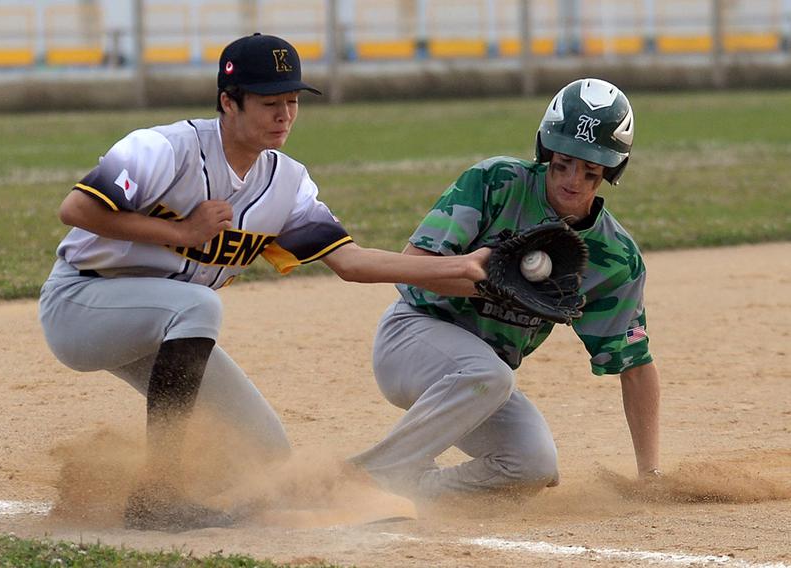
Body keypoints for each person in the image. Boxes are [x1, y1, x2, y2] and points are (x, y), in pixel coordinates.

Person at [37, 32, 489, 532]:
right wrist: (180, 232)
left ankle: (192, 498)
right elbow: (75, 209)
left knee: (266, 454)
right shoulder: (161, 148)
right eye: (269, 102)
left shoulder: (287, 183)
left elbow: (351, 262)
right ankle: (157, 493)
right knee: (198, 307)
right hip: (81, 305)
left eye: (293, 102)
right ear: (228, 103)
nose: (285, 115)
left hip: (162, 328)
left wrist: (460, 267)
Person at [349, 78, 662, 500]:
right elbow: (411, 267)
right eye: (563, 162)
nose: (573, 180)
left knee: (532, 466)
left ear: (612, 171)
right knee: (490, 374)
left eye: (591, 171)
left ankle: (409, 492)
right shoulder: (497, 181)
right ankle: (364, 476)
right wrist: (488, 285)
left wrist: (650, 474)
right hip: (413, 339)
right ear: (545, 150)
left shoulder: (614, 257)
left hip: (479, 384)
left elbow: (635, 366)